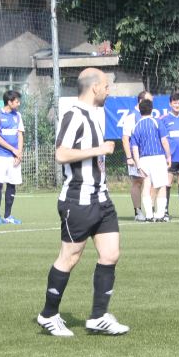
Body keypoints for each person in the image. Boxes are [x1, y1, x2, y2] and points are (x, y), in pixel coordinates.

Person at [36, 67, 128, 337]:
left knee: (110, 254)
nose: (109, 91)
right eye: (106, 86)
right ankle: (48, 314)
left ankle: (98, 317)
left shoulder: (94, 115)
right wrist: (100, 149)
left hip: (102, 199)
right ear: (95, 87)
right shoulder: (73, 115)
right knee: (70, 257)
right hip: (78, 199)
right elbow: (61, 154)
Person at [129, 98, 172, 222]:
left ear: (140, 110)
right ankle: (160, 215)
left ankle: (149, 215)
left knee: (146, 186)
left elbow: (135, 148)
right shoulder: (157, 122)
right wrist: (168, 156)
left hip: (143, 159)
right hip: (158, 157)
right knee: (161, 185)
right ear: (152, 109)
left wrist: (138, 165)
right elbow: (164, 141)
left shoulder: (136, 126)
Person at [0, 89, 25, 225]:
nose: (19, 104)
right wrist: (13, 150)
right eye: (17, 102)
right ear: (9, 102)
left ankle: (8, 216)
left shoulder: (18, 116)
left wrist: (19, 153)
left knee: (12, 184)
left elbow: (20, 135)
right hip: (1, 156)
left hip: (14, 157)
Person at [120, 90, 153, 222]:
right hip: (136, 156)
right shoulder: (131, 117)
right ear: (141, 101)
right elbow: (125, 139)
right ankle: (138, 212)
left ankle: (151, 211)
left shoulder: (150, 115)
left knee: (152, 182)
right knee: (137, 182)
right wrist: (129, 157)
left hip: (150, 155)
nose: (151, 103)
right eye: (149, 101)